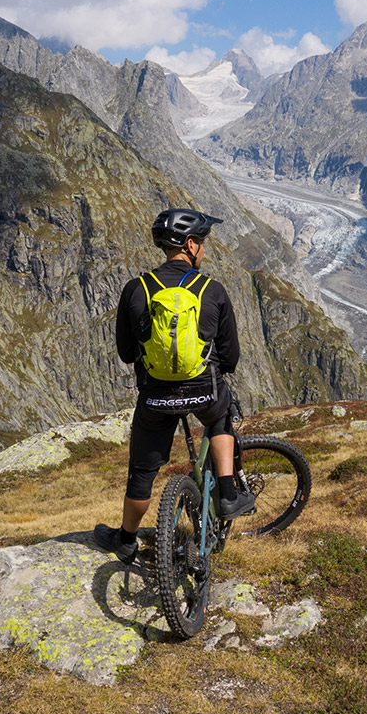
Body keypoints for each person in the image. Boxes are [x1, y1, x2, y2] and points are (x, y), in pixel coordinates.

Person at [94, 208, 255, 564]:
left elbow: (125, 352)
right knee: (221, 417)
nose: (204, 250)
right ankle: (228, 493)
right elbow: (230, 356)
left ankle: (126, 540)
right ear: (191, 245)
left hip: (155, 396)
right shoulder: (212, 290)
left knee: (142, 472)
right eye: (204, 243)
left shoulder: (136, 289)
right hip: (204, 390)